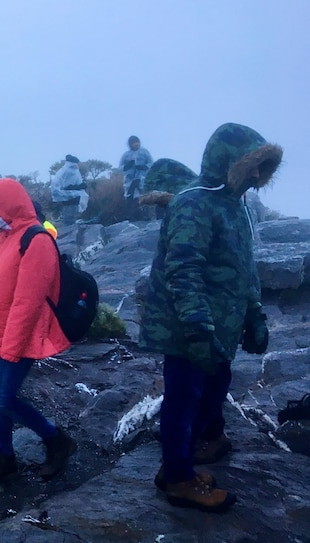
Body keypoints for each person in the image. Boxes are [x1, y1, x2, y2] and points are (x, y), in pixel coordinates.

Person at [139, 123, 281, 512]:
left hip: (220, 325)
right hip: (188, 327)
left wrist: (254, 315)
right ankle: (181, 479)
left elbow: (243, 268)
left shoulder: (234, 206)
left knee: (213, 392)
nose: (257, 175)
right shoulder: (194, 202)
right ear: (228, 162)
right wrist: (198, 328)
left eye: (262, 167)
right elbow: (183, 269)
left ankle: (174, 467)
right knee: (184, 400)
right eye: (251, 165)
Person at [0, 178, 77, 487]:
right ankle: (5, 457)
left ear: (7, 207)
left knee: (2, 397)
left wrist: (11, 347)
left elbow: (28, 303)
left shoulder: (36, 240)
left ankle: (55, 439)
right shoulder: (2, 238)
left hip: (18, 339)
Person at [120, 136, 154, 220]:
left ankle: (146, 215)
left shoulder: (144, 152)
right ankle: (131, 216)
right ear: (130, 144)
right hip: (129, 179)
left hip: (142, 178)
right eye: (133, 142)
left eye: (137, 142)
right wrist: (127, 166)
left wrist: (144, 167)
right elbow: (120, 167)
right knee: (130, 197)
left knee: (144, 196)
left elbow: (151, 163)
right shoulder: (126, 155)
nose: (136, 144)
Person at [50, 155, 88, 225]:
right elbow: (64, 187)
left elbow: (77, 184)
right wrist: (78, 187)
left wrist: (81, 186)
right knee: (69, 218)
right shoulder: (65, 172)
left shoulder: (75, 172)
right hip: (68, 200)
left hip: (74, 199)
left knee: (72, 217)